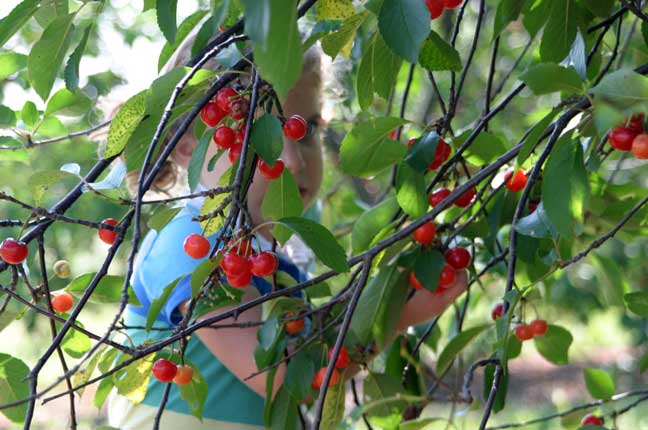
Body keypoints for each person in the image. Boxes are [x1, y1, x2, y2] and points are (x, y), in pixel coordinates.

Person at [106, 29, 468, 430]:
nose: (293, 160)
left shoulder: (278, 251)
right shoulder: (189, 245)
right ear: (189, 143)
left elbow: (306, 350)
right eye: (259, 134)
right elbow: (285, 378)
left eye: (306, 128)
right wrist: (394, 315)